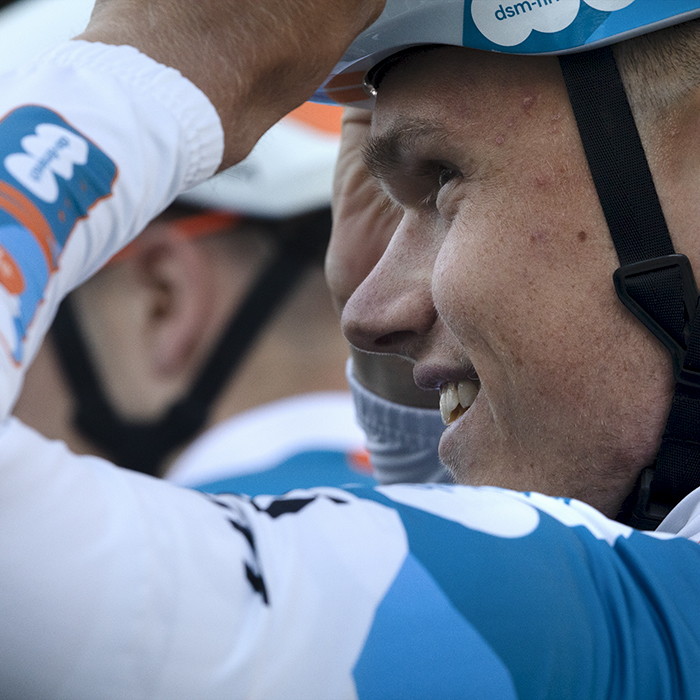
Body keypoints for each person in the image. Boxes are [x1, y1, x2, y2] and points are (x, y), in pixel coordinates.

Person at [2, 1, 700, 698]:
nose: (364, 313)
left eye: (443, 177)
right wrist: (415, 438)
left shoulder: (621, 626)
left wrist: (138, 76)